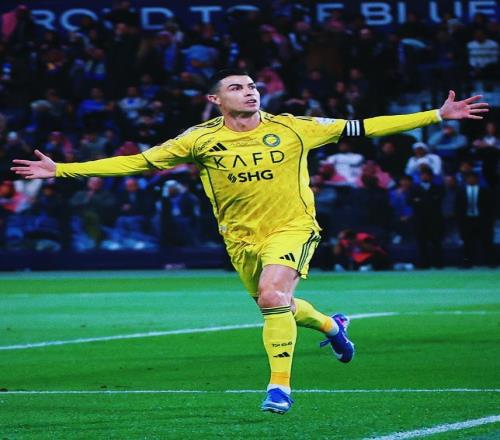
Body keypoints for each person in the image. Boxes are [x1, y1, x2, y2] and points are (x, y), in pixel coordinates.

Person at [11, 68, 489, 414]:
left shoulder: (293, 128)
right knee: (276, 302)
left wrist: (436, 115)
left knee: (272, 296)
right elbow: (138, 162)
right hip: (241, 240)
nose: (250, 91)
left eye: (253, 85)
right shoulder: (198, 139)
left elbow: (364, 126)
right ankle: (331, 326)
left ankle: (279, 387)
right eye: (237, 87)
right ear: (216, 99)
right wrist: (63, 169)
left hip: (292, 227)